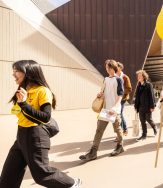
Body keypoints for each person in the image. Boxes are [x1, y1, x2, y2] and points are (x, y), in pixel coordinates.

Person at [0, 60, 81, 188]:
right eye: (13, 71)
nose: (13, 74)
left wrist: (24, 104)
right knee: (7, 178)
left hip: (35, 135)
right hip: (21, 135)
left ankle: (73, 184)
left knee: (42, 175)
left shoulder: (42, 91)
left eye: (16, 71)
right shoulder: (24, 90)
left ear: (28, 72)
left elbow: (46, 117)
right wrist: (22, 103)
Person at [79, 59, 124, 161]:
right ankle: (93, 152)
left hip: (114, 110)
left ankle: (120, 146)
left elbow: (120, 95)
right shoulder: (106, 79)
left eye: (108, 67)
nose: (107, 69)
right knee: (99, 130)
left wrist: (115, 107)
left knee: (117, 130)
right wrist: (100, 95)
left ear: (113, 68)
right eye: (106, 68)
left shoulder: (118, 80)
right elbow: (103, 92)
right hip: (105, 110)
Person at [134, 70, 157, 141]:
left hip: (147, 106)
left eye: (140, 76)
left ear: (144, 76)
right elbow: (137, 97)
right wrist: (136, 106)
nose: (139, 77)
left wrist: (152, 106)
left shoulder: (148, 84)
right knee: (142, 121)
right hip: (141, 107)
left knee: (148, 119)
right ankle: (144, 135)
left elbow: (151, 96)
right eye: (138, 76)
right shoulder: (138, 85)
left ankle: (154, 127)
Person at [116, 62, 132, 136]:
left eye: (117, 66)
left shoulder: (125, 77)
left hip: (122, 99)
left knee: (119, 114)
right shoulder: (114, 76)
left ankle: (124, 130)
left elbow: (129, 89)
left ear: (120, 68)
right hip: (115, 99)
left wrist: (121, 93)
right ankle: (121, 131)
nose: (115, 67)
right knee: (117, 114)